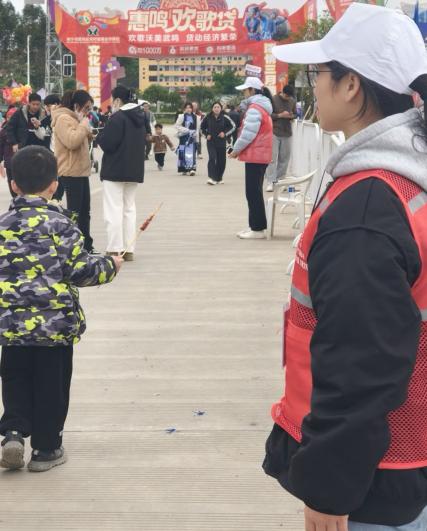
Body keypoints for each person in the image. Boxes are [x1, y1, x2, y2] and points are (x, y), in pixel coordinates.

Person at [263, 5, 427, 531]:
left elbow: (362, 360)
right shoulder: (407, 178)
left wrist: (331, 488)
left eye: (318, 73)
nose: (312, 86)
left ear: (351, 85)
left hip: (377, 482)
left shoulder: (367, 207)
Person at [0, 146, 122, 473]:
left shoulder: (3, 224)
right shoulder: (61, 224)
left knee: (14, 378)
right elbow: (79, 270)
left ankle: (13, 432)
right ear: (54, 185)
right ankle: (46, 448)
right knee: (51, 387)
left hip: (10, 326)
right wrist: (110, 265)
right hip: (53, 327)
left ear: (13, 185)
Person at [97, 85, 151, 262]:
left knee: (113, 209)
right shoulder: (141, 116)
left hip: (115, 170)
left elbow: (107, 143)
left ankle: (114, 248)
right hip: (134, 170)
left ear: (118, 100)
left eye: (113, 100)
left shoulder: (117, 117)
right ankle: (129, 249)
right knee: (129, 209)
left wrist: (99, 136)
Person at [51, 90, 96, 253]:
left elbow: (81, 138)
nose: (88, 112)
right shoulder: (63, 118)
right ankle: (73, 246)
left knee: (85, 212)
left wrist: (87, 131)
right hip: (70, 172)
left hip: (81, 172)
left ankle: (87, 246)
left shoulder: (75, 119)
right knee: (75, 212)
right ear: (76, 105)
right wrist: (83, 124)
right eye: (86, 108)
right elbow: (72, 141)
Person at [229, 77, 273, 239]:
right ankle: (254, 226)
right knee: (254, 192)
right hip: (260, 155)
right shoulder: (262, 106)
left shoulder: (255, 108)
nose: (244, 93)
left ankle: (257, 229)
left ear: (252, 90)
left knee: (253, 193)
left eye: (245, 90)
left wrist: (235, 150)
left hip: (256, 156)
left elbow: (248, 134)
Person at [265, 85, 296, 192]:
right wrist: (280, 115)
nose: (288, 98)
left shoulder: (292, 101)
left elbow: (295, 114)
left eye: (290, 96)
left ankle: (279, 181)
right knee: (272, 158)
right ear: (282, 92)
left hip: (287, 132)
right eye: (287, 96)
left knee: (284, 158)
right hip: (274, 131)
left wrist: (291, 116)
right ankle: (270, 181)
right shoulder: (273, 99)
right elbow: (268, 115)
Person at [201, 101, 236, 185]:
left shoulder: (225, 117)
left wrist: (225, 133)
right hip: (211, 142)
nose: (216, 109)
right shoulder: (207, 117)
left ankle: (219, 178)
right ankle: (211, 178)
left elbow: (233, 126)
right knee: (212, 158)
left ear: (221, 109)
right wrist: (206, 135)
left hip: (221, 142)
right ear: (212, 109)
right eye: (215, 107)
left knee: (221, 160)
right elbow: (201, 128)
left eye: (218, 107)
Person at [175, 102, 201, 176]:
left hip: (192, 138)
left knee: (192, 153)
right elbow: (177, 126)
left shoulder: (197, 117)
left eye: (190, 107)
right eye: (187, 108)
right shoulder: (181, 116)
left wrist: (197, 139)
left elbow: (197, 129)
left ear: (192, 109)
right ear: (184, 109)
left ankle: (192, 169)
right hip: (184, 137)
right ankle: (184, 169)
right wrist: (186, 130)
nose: (188, 109)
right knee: (183, 153)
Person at [0, 107, 18, 197]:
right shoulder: (3, 130)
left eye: (13, 117)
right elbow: (1, 145)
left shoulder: (21, 129)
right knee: (11, 179)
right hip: (9, 159)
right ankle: (14, 197)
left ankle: (20, 196)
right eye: (8, 117)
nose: (10, 119)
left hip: (21, 160)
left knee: (19, 179)